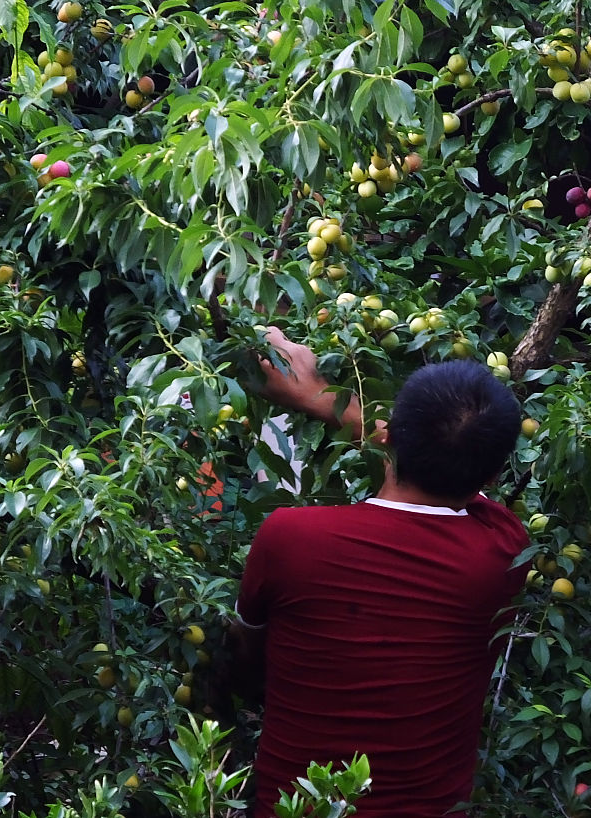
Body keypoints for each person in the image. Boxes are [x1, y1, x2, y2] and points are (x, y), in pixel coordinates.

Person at [227, 328, 529, 817]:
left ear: (388, 435)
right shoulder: (504, 552)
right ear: (493, 477)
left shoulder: (290, 537)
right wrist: (330, 403)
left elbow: (244, 655)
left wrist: (315, 393)